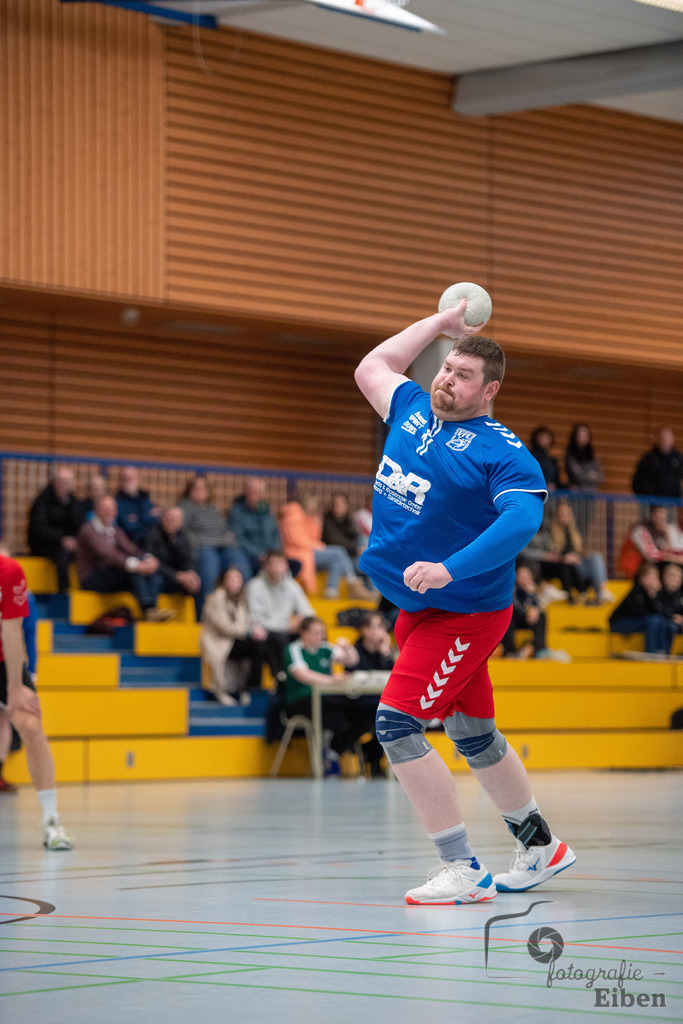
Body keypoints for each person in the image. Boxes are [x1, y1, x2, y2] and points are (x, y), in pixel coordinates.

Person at [353, 298, 575, 905]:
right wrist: (441, 325)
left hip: (464, 614)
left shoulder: (500, 451)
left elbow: (523, 520)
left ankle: (463, 869)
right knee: (473, 731)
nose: (447, 379)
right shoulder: (411, 408)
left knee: (396, 724)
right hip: (414, 609)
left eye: (463, 374)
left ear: (490, 389)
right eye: (446, 368)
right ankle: (541, 846)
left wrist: (451, 569)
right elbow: (373, 366)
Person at [0, 547, 73, 848]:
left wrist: (16, 687)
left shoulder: (10, 572)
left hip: (5, 663)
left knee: (30, 725)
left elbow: (12, 631)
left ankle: (51, 822)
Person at [281, 616, 371, 773]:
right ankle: (329, 751)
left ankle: (334, 750)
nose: (320, 637)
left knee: (364, 712)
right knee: (338, 718)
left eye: (322, 633)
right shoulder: (293, 649)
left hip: (327, 699)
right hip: (301, 700)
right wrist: (332, 680)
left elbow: (351, 661)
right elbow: (303, 674)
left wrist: (348, 647)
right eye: (315, 633)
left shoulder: (324, 648)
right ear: (304, 633)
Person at [75, 496, 174, 622]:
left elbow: (131, 549)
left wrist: (148, 559)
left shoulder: (115, 530)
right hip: (92, 578)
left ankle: (152, 609)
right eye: (105, 508)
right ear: (96, 510)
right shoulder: (88, 529)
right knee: (135, 571)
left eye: (111, 509)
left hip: (111, 574)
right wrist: (136, 565)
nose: (108, 512)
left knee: (150, 572)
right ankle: (148, 611)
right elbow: (106, 553)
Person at [179, 474, 251, 616]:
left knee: (242, 566)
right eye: (196, 488)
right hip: (203, 546)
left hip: (224, 545)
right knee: (208, 573)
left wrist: (230, 536)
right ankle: (203, 615)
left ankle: (240, 612)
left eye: (203, 488)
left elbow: (225, 528)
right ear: (190, 490)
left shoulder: (213, 509)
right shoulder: (185, 507)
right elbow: (184, 532)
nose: (200, 491)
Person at [279, 491, 373, 599]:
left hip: (307, 551)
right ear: (307, 503)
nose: (315, 506)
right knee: (339, 552)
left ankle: (331, 591)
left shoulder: (309, 517)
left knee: (337, 561)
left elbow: (313, 536)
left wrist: (315, 522)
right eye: (314, 503)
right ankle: (352, 582)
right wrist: (318, 545)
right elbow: (296, 539)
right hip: (298, 553)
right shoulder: (293, 514)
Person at [246, 550, 315, 679]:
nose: (277, 568)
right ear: (266, 566)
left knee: (315, 630)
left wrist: (303, 619)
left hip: (286, 630)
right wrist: (287, 626)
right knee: (275, 639)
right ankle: (282, 680)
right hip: (265, 633)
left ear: (286, 566)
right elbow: (256, 620)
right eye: (273, 564)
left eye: (280, 564)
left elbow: (308, 611)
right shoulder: (254, 586)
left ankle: (317, 674)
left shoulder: (292, 585)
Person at [200, 568, 263, 706]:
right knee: (256, 645)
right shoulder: (216, 598)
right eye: (230, 579)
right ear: (223, 581)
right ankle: (243, 690)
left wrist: (252, 629)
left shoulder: (240, 600)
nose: (234, 583)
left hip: (234, 639)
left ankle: (251, 690)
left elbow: (245, 622)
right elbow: (225, 627)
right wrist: (248, 631)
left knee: (261, 645)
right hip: (218, 641)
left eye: (237, 579)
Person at [351, 612, 396, 776]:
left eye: (379, 627)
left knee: (392, 714)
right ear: (363, 629)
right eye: (370, 627)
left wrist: (385, 652)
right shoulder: (355, 650)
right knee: (383, 715)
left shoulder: (384, 652)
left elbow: (394, 676)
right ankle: (373, 757)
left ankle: (374, 756)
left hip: (380, 700)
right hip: (359, 701)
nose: (374, 631)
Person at [28, 466, 85, 592]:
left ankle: (88, 585)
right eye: (60, 481)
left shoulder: (74, 502)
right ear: (54, 482)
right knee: (62, 553)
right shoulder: (42, 500)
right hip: (45, 544)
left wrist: (75, 540)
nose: (63, 485)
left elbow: (80, 525)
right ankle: (64, 591)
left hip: (67, 543)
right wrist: (62, 539)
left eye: (66, 482)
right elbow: (39, 528)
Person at [548, 499, 615, 604]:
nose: (565, 517)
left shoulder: (573, 532)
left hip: (578, 564)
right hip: (566, 566)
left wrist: (578, 557)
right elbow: (550, 554)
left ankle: (601, 590)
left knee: (596, 556)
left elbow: (580, 551)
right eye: (562, 514)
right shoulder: (550, 533)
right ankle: (597, 590)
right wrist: (565, 558)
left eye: (567, 514)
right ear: (557, 516)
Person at [609, 563, 675, 655]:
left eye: (655, 576)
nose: (653, 579)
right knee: (653, 620)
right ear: (642, 578)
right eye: (650, 576)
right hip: (620, 623)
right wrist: (651, 596)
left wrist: (653, 596)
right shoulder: (636, 591)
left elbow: (661, 611)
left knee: (664, 622)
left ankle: (663, 652)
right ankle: (652, 652)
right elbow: (640, 612)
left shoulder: (657, 593)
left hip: (639, 621)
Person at [141, 507, 201, 604]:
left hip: (175, 577)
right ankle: (151, 610)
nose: (171, 521)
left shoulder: (183, 537)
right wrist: (177, 576)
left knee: (197, 582)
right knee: (154, 579)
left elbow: (188, 559)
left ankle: (197, 617)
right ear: (162, 519)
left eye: (176, 519)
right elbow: (152, 564)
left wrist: (190, 573)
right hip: (160, 576)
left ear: (181, 523)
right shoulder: (151, 535)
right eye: (169, 517)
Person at [227, 476, 282, 577]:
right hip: (250, 555)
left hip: (269, 554)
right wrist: (260, 554)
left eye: (259, 492)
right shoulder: (237, 511)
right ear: (246, 492)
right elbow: (238, 538)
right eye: (253, 492)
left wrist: (274, 554)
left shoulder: (267, 511)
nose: (257, 496)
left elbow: (275, 534)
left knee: (293, 565)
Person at [627, 506, 683, 574]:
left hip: (659, 567)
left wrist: (667, 535)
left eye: (664, 514)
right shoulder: (641, 530)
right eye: (658, 513)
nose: (662, 517)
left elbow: (673, 550)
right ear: (652, 515)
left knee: (674, 572)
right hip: (639, 568)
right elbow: (651, 556)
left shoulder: (665, 530)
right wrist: (674, 558)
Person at [115, 465, 161, 544]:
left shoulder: (145, 498)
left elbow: (155, 521)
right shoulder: (117, 502)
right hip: (130, 544)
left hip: (149, 543)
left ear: (138, 479)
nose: (127, 482)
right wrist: (147, 517)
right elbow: (129, 527)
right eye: (124, 479)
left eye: (130, 479)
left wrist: (137, 518)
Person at [632, 428, 683, 498]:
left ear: (672, 440)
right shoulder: (648, 459)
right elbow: (637, 482)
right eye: (662, 438)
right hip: (654, 502)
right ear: (657, 439)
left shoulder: (679, 458)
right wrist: (649, 500)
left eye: (667, 438)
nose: (665, 441)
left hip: (675, 502)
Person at [322, 492, 363, 571]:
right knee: (340, 553)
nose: (337, 507)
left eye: (340, 504)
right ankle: (353, 578)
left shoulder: (349, 520)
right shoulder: (328, 521)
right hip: (338, 556)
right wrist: (356, 549)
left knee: (363, 539)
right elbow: (336, 541)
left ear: (346, 506)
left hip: (352, 556)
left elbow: (356, 536)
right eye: (335, 504)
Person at [564, 423, 603, 492]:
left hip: (592, 493)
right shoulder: (570, 454)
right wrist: (590, 474)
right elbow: (577, 475)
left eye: (585, 435)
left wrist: (583, 472)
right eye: (581, 435)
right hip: (577, 493)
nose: (583, 438)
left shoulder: (592, 455)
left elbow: (600, 477)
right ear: (575, 436)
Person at [528, 427, 562, 492]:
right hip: (536, 490)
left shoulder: (552, 460)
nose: (545, 440)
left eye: (547, 437)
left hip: (552, 494)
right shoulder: (530, 456)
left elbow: (557, 480)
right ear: (536, 438)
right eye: (542, 437)